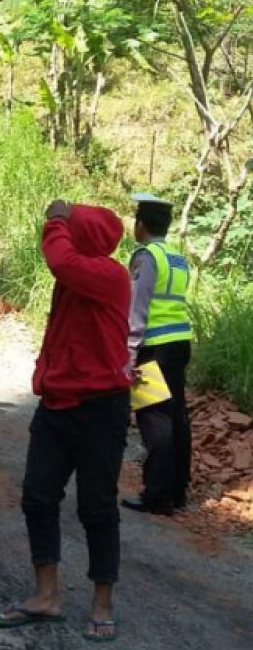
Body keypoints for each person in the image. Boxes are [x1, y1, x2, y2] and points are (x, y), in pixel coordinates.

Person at [0, 200, 131, 643]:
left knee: (97, 506)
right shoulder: (75, 279)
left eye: (74, 229)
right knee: (37, 496)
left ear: (85, 235)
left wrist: (55, 219)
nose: (65, 232)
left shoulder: (109, 275)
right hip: (56, 403)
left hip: (100, 408)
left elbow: (58, 259)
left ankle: (102, 603)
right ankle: (46, 595)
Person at [122, 193, 193, 516]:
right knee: (177, 416)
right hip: (179, 343)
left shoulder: (147, 257)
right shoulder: (177, 258)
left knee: (154, 417)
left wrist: (130, 355)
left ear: (141, 225)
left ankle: (158, 495)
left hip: (154, 347)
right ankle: (178, 490)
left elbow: (137, 310)